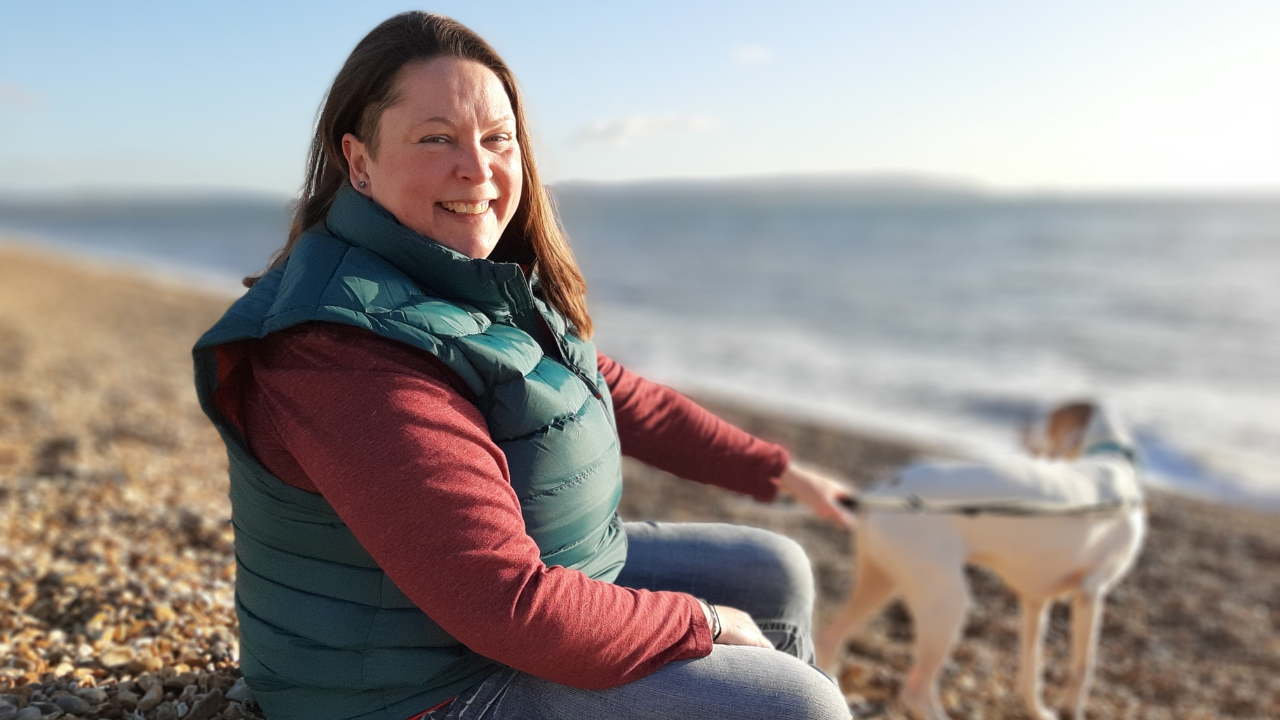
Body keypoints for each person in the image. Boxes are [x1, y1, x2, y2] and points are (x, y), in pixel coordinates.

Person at [193, 12, 855, 720]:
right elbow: (503, 603)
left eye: (496, 139)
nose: (477, 170)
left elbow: (610, 391)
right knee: (795, 705)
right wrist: (706, 622)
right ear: (359, 162)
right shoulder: (345, 351)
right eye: (436, 138)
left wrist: (779, 471)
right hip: (413, 686)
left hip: (512, 602)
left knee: (773, 569)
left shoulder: (459, 277)